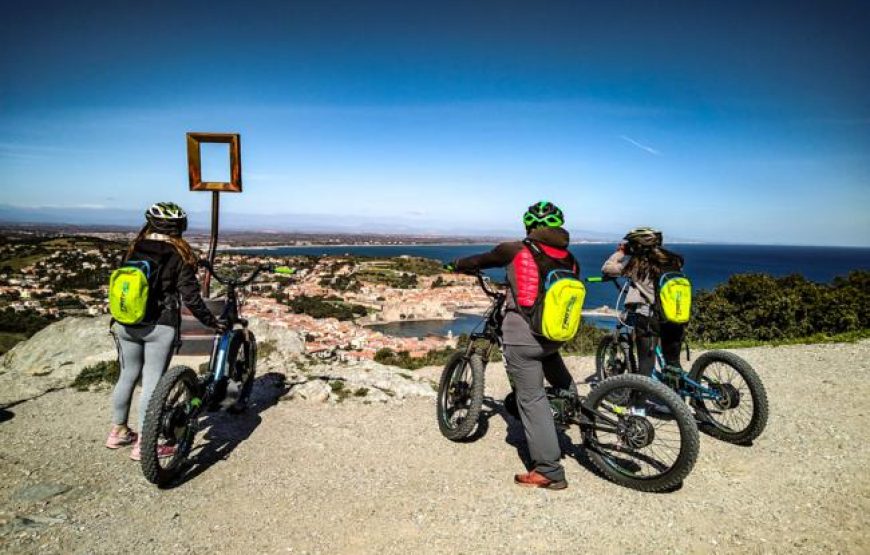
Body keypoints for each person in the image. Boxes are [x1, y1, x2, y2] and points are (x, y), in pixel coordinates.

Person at [446, 201, 578, 490]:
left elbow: (481, 259)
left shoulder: (517, 249)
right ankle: (574, 408)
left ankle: (548, 470)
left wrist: (455, 265)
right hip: (556, 333)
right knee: (553, 363)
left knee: (530, 399)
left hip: (524, 334)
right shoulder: (570, 258)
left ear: (530, 226)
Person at [105, 202, 224, 461]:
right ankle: (145, 445)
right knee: (153, 383)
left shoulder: (134, 247)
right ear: (180, 227)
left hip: (126, 322)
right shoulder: (178, 254)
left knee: (127, 375)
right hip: (159, 326)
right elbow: (191, 299)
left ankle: (118, 431)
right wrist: (211, 322)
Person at [601, 227, 686, 377]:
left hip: (650, 318)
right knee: (673, 363)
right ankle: (680, 395)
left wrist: (620, 252)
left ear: (637, 246)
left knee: (645, 368)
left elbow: (607, 269)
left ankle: (640, 398)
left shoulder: (636, 264)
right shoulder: (675, 261)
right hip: (675, 314)